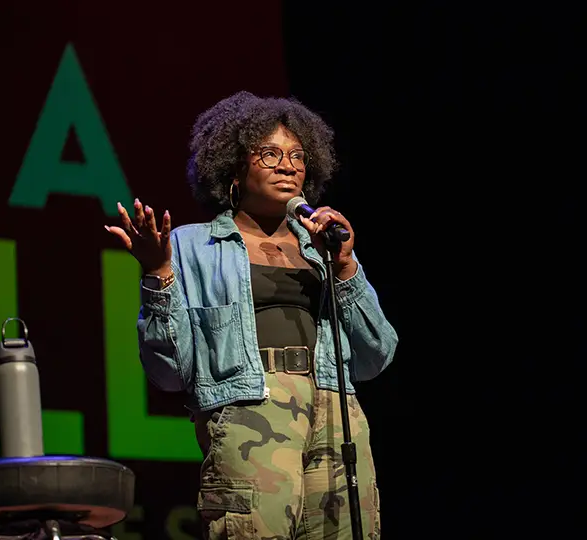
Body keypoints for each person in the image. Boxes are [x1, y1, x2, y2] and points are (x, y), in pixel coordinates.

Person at [106, 90, 398, 539]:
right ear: (234, 169)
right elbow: (168, 372)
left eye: (298, 155)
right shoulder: (191, 245)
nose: (288, 165)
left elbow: (377, 353)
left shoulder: (322, 249)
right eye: (270, 154)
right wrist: (158, 272)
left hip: (336, 411)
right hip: (251, 410)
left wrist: (345, 267)